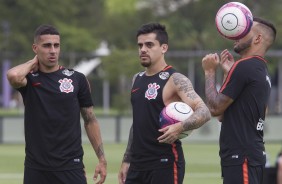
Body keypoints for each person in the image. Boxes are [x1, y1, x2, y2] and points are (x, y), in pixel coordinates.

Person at [6, 24, 107, 184]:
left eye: (56, 45)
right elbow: (13, 75)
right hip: (36, 168)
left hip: (70, 166)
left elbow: (90, 120)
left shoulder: (77, 79)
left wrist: (101, 159)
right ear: (35, 48)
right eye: (46, 46)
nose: (53, 50)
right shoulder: (30, 80)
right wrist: (33, 63)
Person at [118, 22, 211, 184]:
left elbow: (204, 112)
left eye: (149, 45)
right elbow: (138, 122)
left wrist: (180, 127)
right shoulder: (136, 79)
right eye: (140, 45)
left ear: (164, 48)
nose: (143, 49)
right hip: (137, 165)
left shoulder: (175, 79)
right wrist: (127, 159)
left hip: (164, 162)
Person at [202, 17, 276, 184]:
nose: (237, 34)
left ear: (257, 39)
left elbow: (215, 109)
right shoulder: (260, 69)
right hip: (248, 155)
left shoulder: (244, 66)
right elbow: (223, 115)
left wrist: (209, 72)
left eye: (244, 31)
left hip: (241, 156)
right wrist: (228, 74)